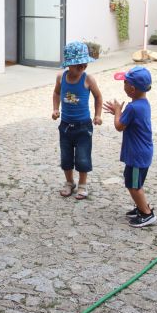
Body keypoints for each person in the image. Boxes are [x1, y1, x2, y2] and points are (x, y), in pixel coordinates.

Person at [103, 66, 157, 228]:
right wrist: (119, 113)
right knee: (134, 182)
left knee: (133, 185)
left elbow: (119, 126)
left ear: (132, 89)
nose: (123, 86)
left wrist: (118, 112)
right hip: (143, 152)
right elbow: (125, 120)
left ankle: (147, 214)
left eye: (125, 83)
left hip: (136, 155)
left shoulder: (132, 107)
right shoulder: (143, 103)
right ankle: (141, 207)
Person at [52, 41, 103, 199]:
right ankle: (69, 182)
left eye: (84, 64)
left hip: (83, 126)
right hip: (65, 126)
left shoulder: (88, 79)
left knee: (83, 157)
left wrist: (98, 115)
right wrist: (55, 109)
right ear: (68, 64)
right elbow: (56, 93)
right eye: (78, 65)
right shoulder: (61, 78)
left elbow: (98, 97)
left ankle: (82, 184)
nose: (82, 67)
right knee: (66, 157)